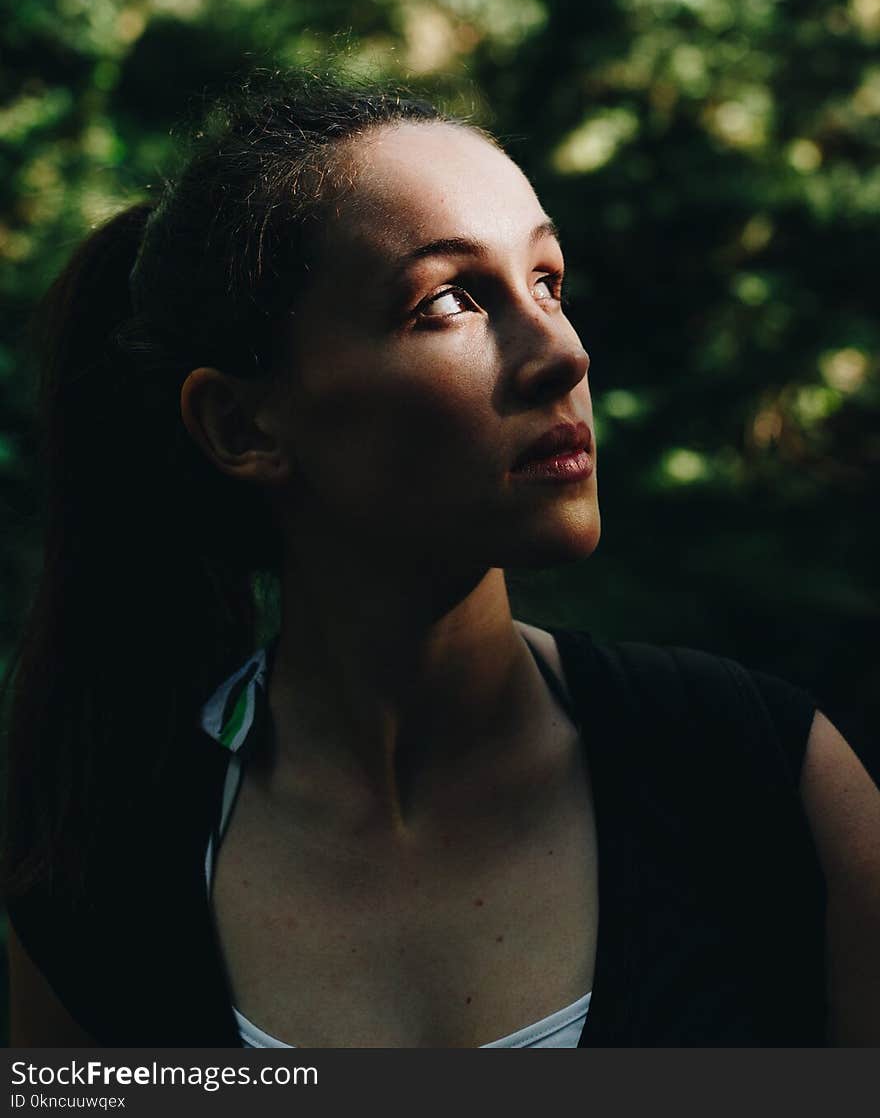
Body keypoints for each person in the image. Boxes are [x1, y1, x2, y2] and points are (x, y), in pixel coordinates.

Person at [3, 71, 879, 1048]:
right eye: (450, 300)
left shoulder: (763, 779)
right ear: (241, 423)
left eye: (547, 280)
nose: (562, 353)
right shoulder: (108, 876)